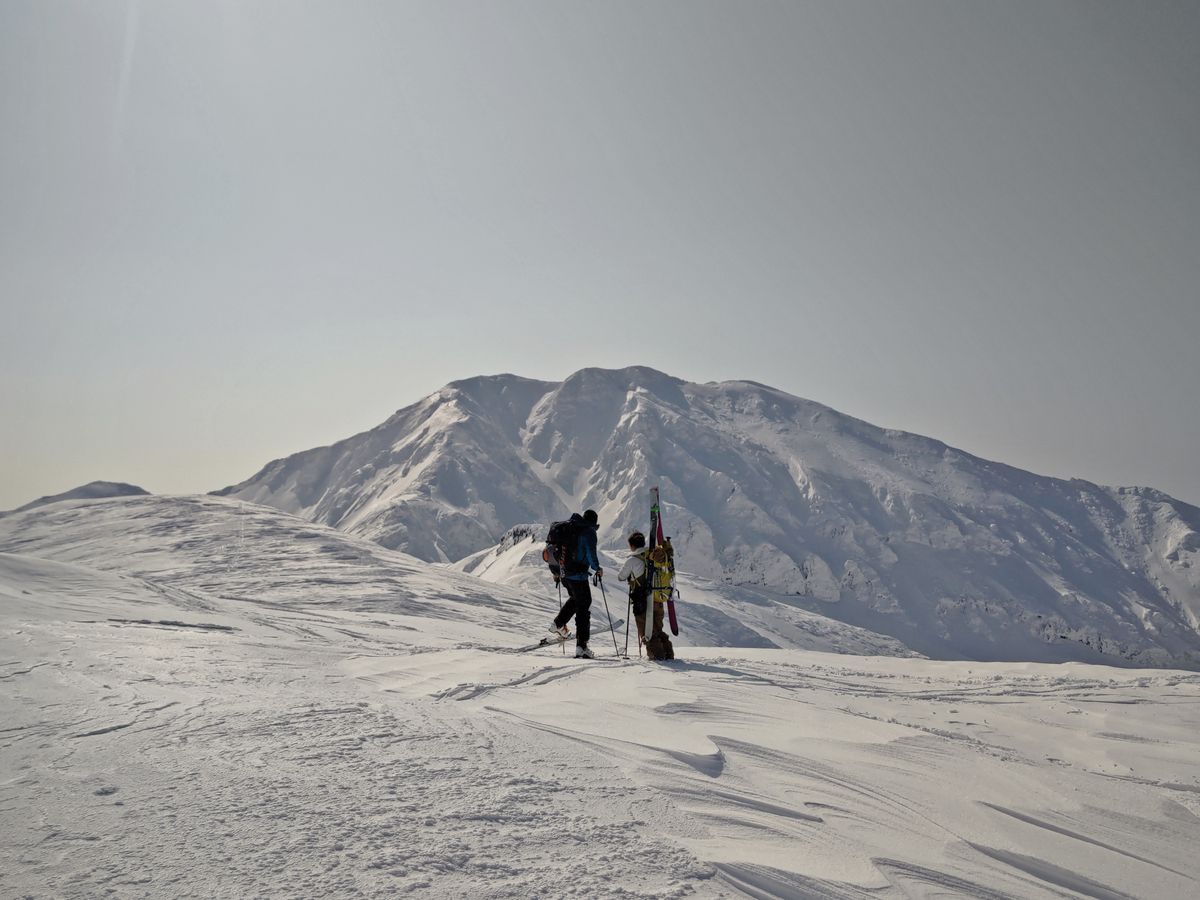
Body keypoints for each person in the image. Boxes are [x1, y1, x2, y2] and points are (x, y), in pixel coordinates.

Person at [550, 509, 602, 659]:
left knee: (576, 599)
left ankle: (558, 624)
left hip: (564, 574)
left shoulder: (571, 527)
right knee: (584, 605)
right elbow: (591, 553)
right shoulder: (588, 532)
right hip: (578, 574)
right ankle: (582, 646)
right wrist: (597, 568)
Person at [618, 531, 674, 660]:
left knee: (647, 631)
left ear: (631, 545)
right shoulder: (654, 555)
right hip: (658, 597)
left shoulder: (633, 560)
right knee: (658, 630)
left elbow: (621, 576)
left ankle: (657, 656)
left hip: (642, 601)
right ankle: (668, 654)